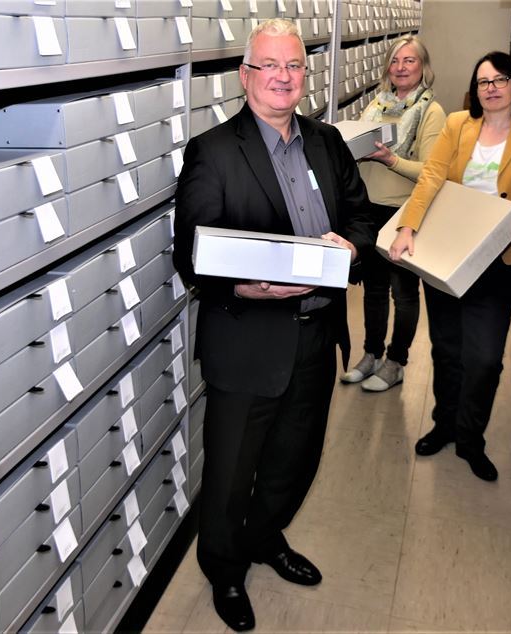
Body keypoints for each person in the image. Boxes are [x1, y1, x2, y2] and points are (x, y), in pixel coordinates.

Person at [172, 19, 373, 632]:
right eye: (270, 66)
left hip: (315, 334)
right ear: (246, 75)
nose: (283, 77)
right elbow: (191, 251)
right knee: (231, 471)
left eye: (293, 66)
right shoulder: (214, 151)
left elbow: (363, 216)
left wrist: (352, 250)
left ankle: (265, 537)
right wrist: (244, 285)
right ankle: (225, 571)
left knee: (296, 460)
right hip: (249, 338)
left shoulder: (327, 142)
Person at [389, 51, 511, 481]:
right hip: (449, 255)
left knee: (485, 359)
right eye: (483, 82)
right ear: (475, 90)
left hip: (494, 263)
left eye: (499, 79)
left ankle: (471, 437)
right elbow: (432, 177)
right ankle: (444, 424)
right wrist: (408, 227)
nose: (491, 88)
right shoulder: (458, 125)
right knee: (447, 349)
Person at [340, 35, 445, 391]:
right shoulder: (376, 105)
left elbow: (432, 171)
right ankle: (371, 354)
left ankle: (396, 361)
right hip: (368, 209)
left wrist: (391, 159)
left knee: (403, 293)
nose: (401, 67)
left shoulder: (431, 111)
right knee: (372, 289)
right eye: (396, 61)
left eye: (410, 61)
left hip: (403, 213)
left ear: (423, 68)